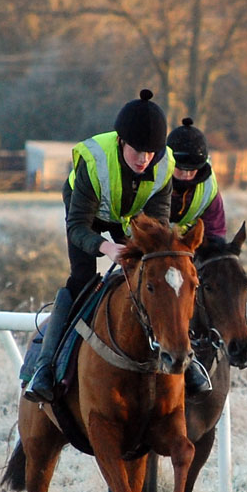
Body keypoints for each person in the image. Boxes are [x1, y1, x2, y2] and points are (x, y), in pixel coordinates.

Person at [24, 89, 211, 403]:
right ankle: (44, 367)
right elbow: (77, 228)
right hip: (87, 215)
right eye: (137, 151)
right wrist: (105, 248)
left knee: (161, 278)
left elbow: (158, 225)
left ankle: (183, 356)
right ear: (122, 141)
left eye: (151, 153)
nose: (144, 159)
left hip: (128, 217)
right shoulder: (94, 164)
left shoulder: (164, 166)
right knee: (82, 280)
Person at [167, 117, 227, 245]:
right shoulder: (152, 180)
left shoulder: (208, 189)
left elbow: (215, 232)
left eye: (192, 170)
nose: (186, 174)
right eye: (180, 169)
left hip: (191, 249)